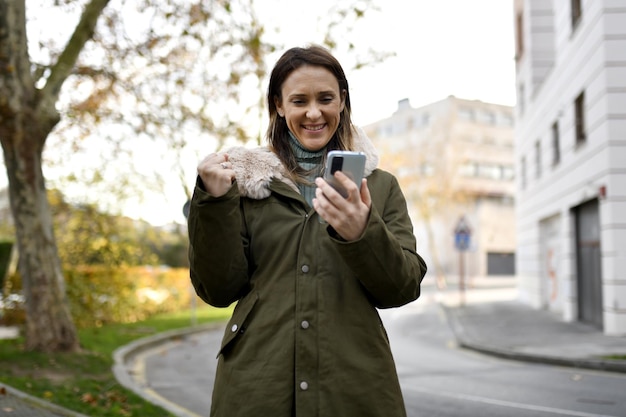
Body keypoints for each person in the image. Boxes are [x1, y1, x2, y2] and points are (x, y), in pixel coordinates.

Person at [188, 44, 427, 417]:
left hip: (355, 389)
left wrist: (361, 232)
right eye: (299, 100)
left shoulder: (380, 187)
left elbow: (402, 288)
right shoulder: (243, 184)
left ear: (342, 102)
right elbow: (218, 290)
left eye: (325, 98)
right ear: (279, 106)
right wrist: (214, 203)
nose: (314, 112)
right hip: (257, 388)